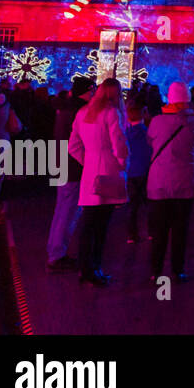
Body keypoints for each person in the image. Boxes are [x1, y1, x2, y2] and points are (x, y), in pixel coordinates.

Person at [68, 79, 129, 285]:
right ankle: (95, 267)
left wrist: (88, 161)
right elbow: (118, 143)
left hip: (90, 170)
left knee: (87, 223)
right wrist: (122, 164)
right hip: (108, 169)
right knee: (101, 225)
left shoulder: (83, 113)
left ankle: (85, 268)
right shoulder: (112, 113)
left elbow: (73, 145)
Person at [147, 81, 194, 281]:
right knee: (181, 228)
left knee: (160, 229)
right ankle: (177, 269)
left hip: (159, 183)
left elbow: (151, 146)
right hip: (186, 182)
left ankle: (155, 271)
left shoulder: (156, 122)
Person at [46, 76, 95, 273]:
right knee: (68, 211)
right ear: (88, 90)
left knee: (61, 210)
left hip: (60, 163)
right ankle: (57, 254)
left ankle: (55, 250)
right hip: (73, 167)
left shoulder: (64, 108)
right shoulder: (80, 112)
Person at [124, 98, 151, 242]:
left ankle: (131, 234)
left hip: (130, 172)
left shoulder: (125, 134)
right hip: (146, 171)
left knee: (132, 206)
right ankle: (152, 231)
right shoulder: (148, 132)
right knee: (149, 204)